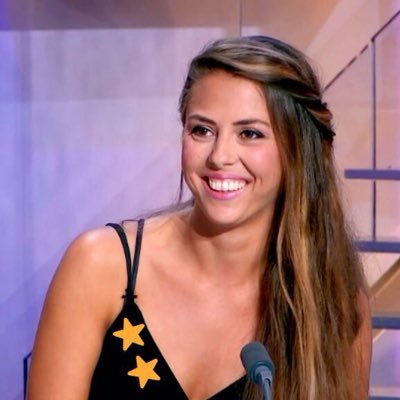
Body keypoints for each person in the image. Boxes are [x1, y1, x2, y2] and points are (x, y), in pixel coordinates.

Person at [27, 35, 372, 400]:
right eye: (202, 130)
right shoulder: (99, 266)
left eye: (250, 133)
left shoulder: (337, 306)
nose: (219, 156)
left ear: (298, 150)